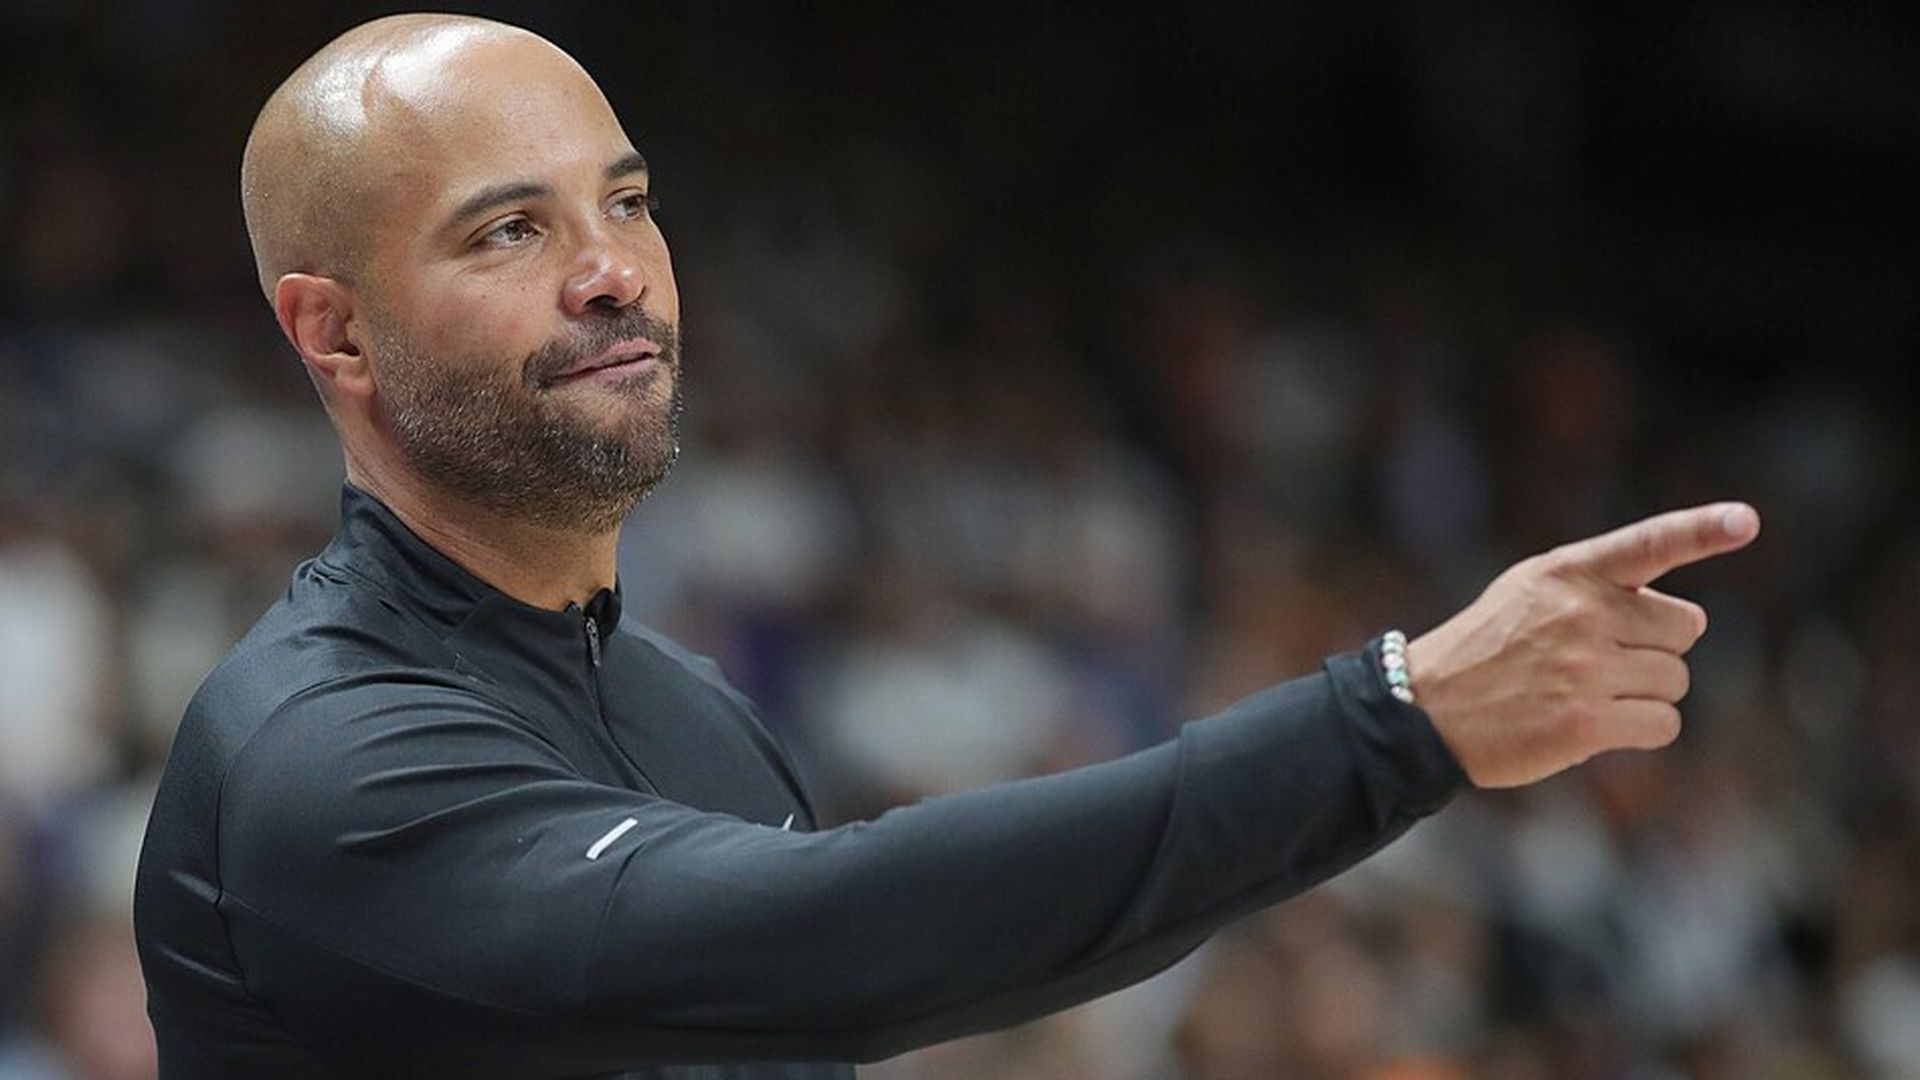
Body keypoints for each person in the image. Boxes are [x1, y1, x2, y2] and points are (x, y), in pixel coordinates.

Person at [131, 13, 1761, 1080]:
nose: (613, 270)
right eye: (511, 228)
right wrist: (1391, 721)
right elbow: (830, 936)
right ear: (332, 335)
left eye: (626, 203)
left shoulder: (693, 712)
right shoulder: (321, 763)